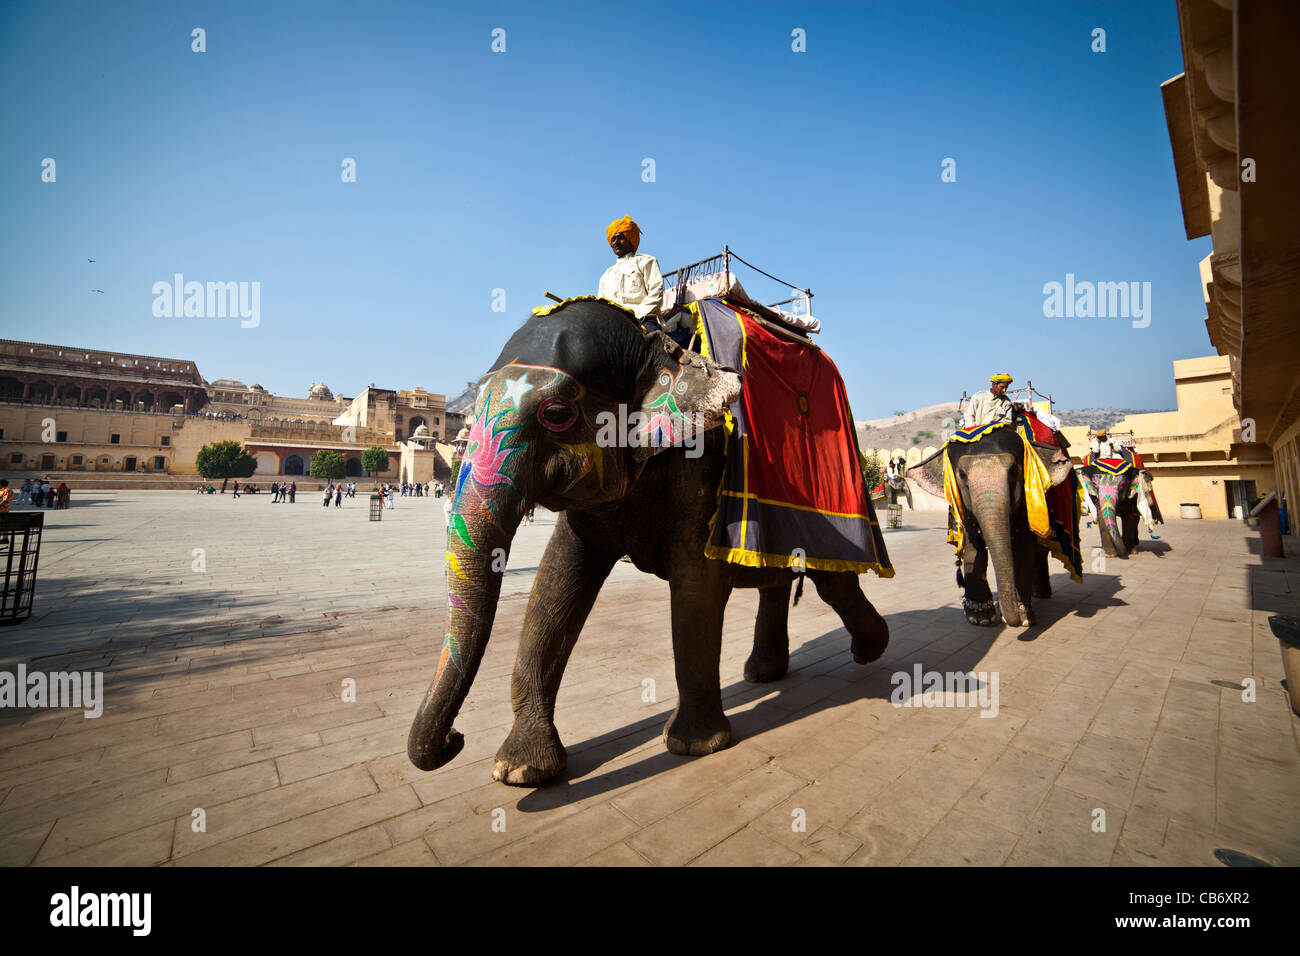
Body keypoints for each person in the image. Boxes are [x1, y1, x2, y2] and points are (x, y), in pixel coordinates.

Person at [597, 216, 664, 325]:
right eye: (613, 239)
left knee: (652, 339)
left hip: (642, 319)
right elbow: (601, 306)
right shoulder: (606, 275)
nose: (616, 242)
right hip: (612, 324)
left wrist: (636, 315)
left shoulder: (645, 261)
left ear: (630, 239)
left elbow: (656, 291)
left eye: (621, 238)